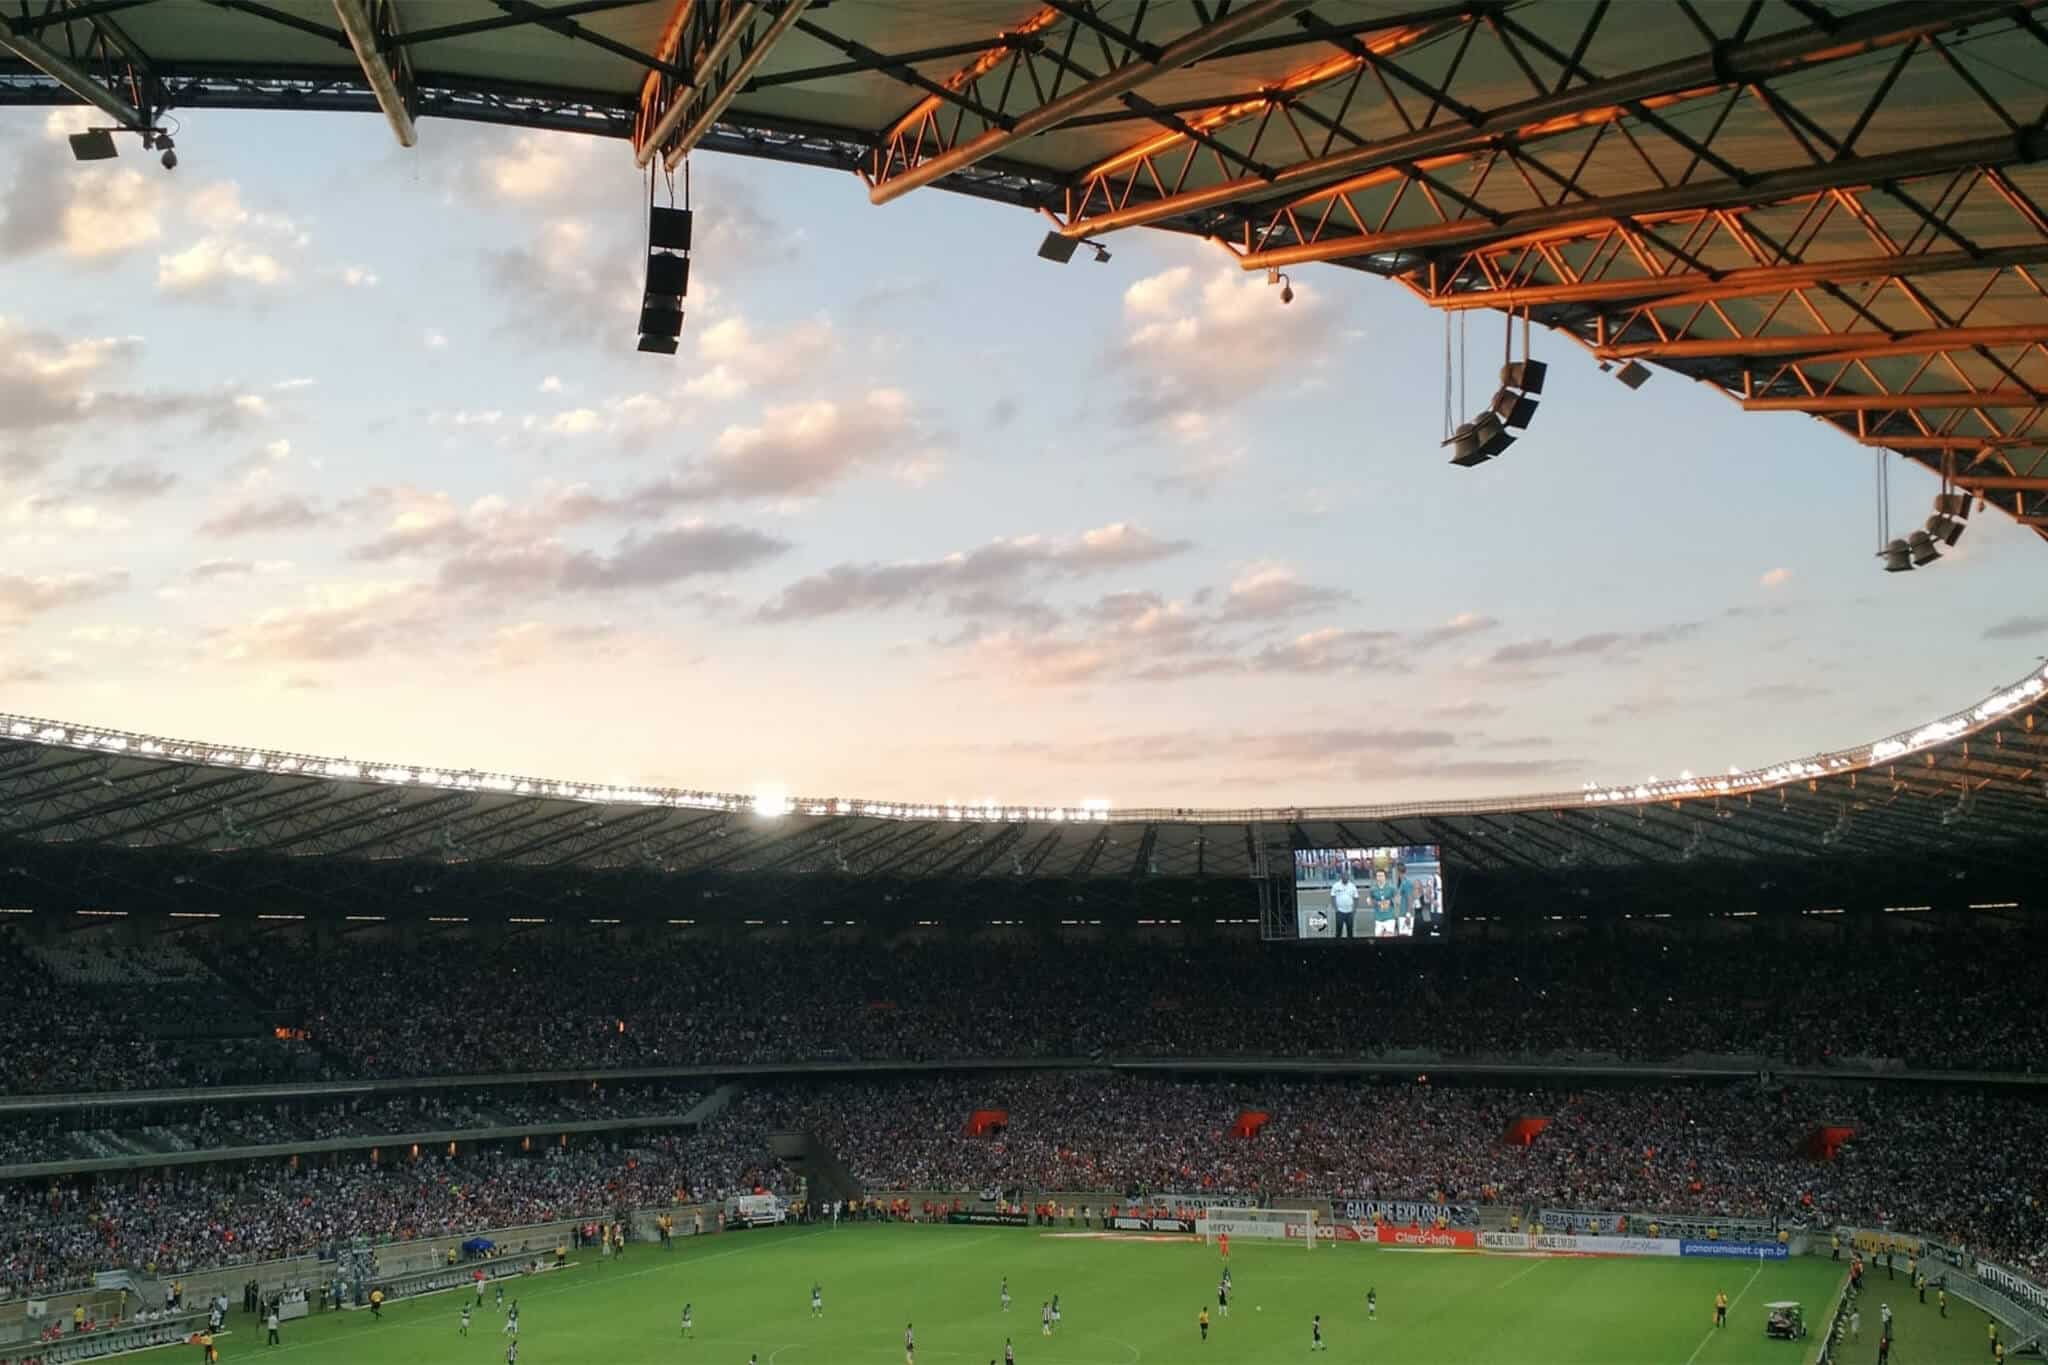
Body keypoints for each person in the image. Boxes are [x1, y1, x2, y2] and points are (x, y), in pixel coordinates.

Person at [1330, 868, 1358, 939]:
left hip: (1350, 912)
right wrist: (1336, 909)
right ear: (1341, 877)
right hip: (1340, 912)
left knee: (1350, 932)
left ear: (1348, 877)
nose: (1345, 877)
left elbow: (1356, 898)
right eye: (1344, 876)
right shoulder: (1336, 885)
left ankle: (1350, 947)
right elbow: (1332, 897)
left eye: (1347, 876)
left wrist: (1354, 910)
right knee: (1338, 932)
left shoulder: (1352, 886)